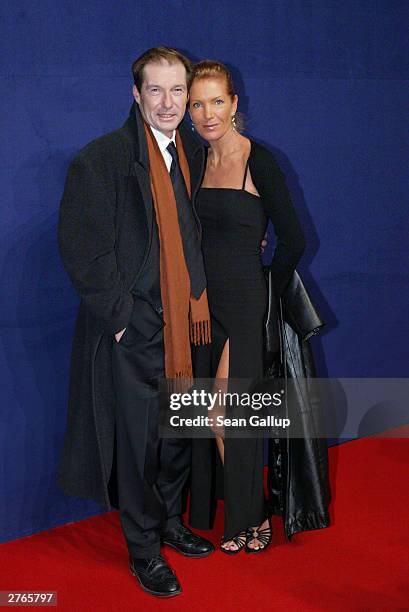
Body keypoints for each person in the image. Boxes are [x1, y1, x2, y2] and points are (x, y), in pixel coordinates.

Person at [58, 47, 215, 598]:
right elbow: (82, 250)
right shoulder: (100, 160)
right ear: (136, 94)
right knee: (139, 445)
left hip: (186, 324)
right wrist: (123, 318)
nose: (169, 103)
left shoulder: (192, 153)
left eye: (178, 91)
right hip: (136, 327)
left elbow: (196, 230)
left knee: (177, 435)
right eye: (157, 90)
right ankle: (144, 549)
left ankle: (170, 523)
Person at [188, 60, 306, 553]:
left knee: (230, 415)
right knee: (211, 416)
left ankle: (248, 519)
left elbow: (294, 240)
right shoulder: (195, 161)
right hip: (201, 307)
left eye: (217, 101)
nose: (206, 113)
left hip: (244, 303)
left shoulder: (261, 161)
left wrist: (268, 296)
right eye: (197, 103)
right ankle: (249, 511)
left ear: (235, 104)